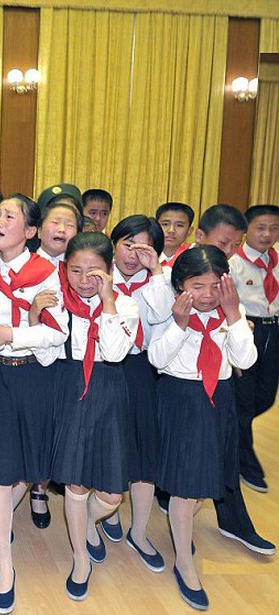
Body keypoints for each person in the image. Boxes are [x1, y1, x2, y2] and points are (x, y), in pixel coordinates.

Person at [148, 246, 257, 611]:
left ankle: (181, 531)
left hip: (218, 400)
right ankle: (184, 562)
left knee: (202, 484)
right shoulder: (170, 310)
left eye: (215, 285)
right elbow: (157, 360)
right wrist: (179, 325)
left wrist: (234, 316)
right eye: (198, 286)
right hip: (181, 399)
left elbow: (244, 360)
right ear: (180, 285)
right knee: (185, 485)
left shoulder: (231, 312)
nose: (207, 295)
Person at [0, 194, 68, 614]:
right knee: (0, 472)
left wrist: (13, 332)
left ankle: (3, 522)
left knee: (30, 468)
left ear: (31, 231)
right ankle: (4, 565)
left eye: (9, 216)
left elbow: (58, 334)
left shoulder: (47, 271)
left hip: (36, 377)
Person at [50, 232, 139, 601]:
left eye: (95, 272)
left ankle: (88, 523)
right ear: (64, 268)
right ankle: (79, 556)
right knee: (76, 484)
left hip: (108, 392)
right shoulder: (57, 302)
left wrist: (107, 304)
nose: (84, 280)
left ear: (110, 271)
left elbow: (116, 353)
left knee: (111, 493)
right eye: (76, 270)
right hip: (70, 391)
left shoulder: (126, 306)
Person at [184, 205, 275, 554]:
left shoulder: (226, 273)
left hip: (219, 377)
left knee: (225, 446)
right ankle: (176, 519)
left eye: (237, 245)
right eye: (225, 244)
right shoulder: (175, 271)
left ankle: (233, 521)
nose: (231, 252)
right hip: (178, 380)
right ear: (201, 237)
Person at [109, 215, 173, 572]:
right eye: (127, 243)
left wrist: (158, 273)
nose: (133, 254)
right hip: (106, 367)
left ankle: (139, 531)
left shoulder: (159, 284)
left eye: (144, 247)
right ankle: (104, 516)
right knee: (110, 446)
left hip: (142, 369)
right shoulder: (100, 278)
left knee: (145, 454)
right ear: (114, 243)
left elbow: (163, 316)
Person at [29, 198, 83, 526]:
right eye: (55, 222)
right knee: (37, 423)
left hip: (71, 362)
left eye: (69, 224)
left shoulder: (79, 267)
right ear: (39, 227)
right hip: (32, 359)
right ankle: (32, 481)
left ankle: (42, 488)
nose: (61, 229)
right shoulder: (24, 262)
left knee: (59, 426)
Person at [229, 204, 279, 493]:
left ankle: (233, 439)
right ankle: (247, 466)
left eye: (273, 228)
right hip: (247, 328)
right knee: (244, 402)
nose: (267, 234)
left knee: (265, 398)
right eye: (261, 228)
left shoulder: (276, 260)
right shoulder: (235, 262)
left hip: (274, 329)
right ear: (248, 229)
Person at [156, 202, 195, 267]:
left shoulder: (194, 261)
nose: (171, 230)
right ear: (156, 227)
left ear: (189, 231)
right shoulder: (144, 257)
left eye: (179, 225)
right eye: (165, 224)